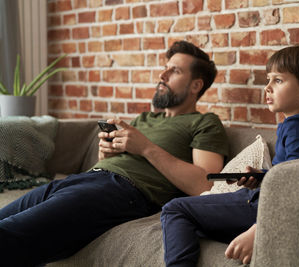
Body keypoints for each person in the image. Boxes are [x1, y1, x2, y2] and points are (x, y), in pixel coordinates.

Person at [0, 41, 230, 266]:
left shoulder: (205, 122)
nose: (163, 74)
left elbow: (207, 185)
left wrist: (146, 148)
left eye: (175, 70)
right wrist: (107, 154)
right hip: (84, 179)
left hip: (122, 191)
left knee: (10, 235)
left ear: (195, 86)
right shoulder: (145, 119)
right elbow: (121, 161)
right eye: (165, 67)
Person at [160, 45, 299, 266]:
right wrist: (259, 176)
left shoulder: (297, 125)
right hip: (263, 197)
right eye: (268, 79)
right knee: (196, 218)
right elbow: (288, 172)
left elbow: (295, 184)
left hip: (263, 206)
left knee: (175, 209)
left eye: (278, 80)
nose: (268, 87)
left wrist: (260, 228)